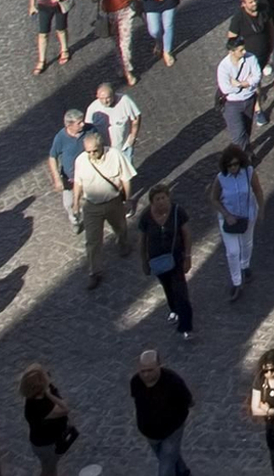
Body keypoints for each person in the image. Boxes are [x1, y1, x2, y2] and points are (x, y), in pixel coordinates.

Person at [129, 351, 194, 476]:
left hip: (171, 431)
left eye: (150, 370)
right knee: (168, 458)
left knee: (165, 472)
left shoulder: (173, 381)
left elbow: (188, 401)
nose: (146, 375)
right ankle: (184, 474)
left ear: (159, 366)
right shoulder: (135, 382)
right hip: (149, 433)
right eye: (142, 371)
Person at [73, 127, 134, 288]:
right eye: (89, 152)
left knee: (120, 227)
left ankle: (123, 243)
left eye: (95, 151)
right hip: (91, 206)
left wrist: (128, 199)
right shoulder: (81, 161)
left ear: (102, 146)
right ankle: (95, 272)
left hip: (113, 202)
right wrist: (75, 202)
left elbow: (126, 179)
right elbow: (78, 183)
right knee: (92, 241)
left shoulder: (115, 155)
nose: (92, 154)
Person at [139, 185, 195, 339]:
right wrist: (144, 261)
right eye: (158, 199)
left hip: (176, 258)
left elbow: (187, 234)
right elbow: (142, 241)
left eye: (164, 197)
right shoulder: (146, 216)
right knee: (168, 288)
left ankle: (186, 326)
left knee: (181, 291)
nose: (161, 201)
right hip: (157, 260)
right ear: (152, 202)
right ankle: (174, 310)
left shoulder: (178, 212)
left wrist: (188, 256)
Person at [18, 366, 75, 476]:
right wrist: (49, 395)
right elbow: (64, 409)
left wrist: (49, 392)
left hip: (49, 440)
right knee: (47, 470)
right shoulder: (38, 407)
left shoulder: (36, 397)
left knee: (52, 466)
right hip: (45, 444)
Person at [210, 145, 262, 300]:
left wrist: (261, 209)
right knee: (233, 251)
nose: (233, 168)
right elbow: (214, 198)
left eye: (236, 164)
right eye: (230, 165)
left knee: (247, 243)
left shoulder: (249, 172)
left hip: (248, 215)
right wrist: (226, 215)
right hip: (229, 219)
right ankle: (236, 281)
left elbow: (258, 190)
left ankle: (245, 266)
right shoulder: (221, 178)